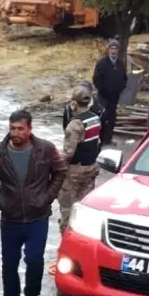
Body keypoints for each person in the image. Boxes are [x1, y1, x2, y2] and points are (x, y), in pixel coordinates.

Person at [0, 110, 66, 296]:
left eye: (20, 128)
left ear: (29, 129)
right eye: (12, 128)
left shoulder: (45, 150)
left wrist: (47, 197)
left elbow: (59, 172)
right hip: (10, 218)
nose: (16, 133)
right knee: (9, 264)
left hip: (37, 217)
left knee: (34, 260)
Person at [58, 86, 102, 232]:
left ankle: (66, 239)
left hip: (74, 172)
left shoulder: (75, 124)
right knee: (85, 207)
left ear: (74, 103)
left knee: (67, 209)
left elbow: (68, 153)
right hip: (91, 169)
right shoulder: (95, 119)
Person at [92, 39, 127, 144]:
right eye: (111, 48)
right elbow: (96, 79)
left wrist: (120, 89)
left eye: (115, 48)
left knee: (112, 117)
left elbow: (124, 78)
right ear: (108, 50)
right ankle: (100, 139)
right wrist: (103, 90)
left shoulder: (120, 63)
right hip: (104, 96)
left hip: (114, 97)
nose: (113, 51)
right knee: (103, 116)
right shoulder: (102, 63)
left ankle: (108, 139)